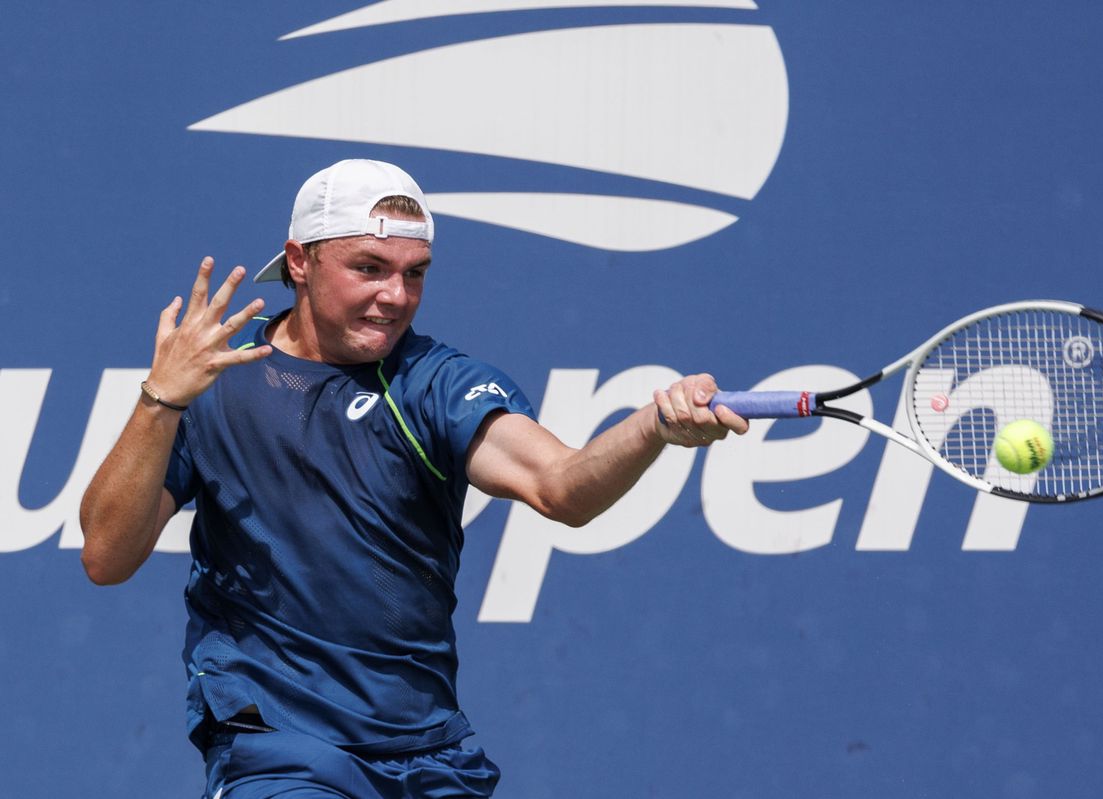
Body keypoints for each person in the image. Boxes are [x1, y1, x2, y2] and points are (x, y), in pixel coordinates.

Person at [79, 158, 748, 798]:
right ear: (301, 260)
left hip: (427, 754)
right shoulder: (215, 372)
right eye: (369, 268)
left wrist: (652, 427)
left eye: (415, 273)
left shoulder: (434, 383)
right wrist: (159, 399)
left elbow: (562, 487)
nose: (395, 297)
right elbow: (106, 555)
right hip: (277, 747)